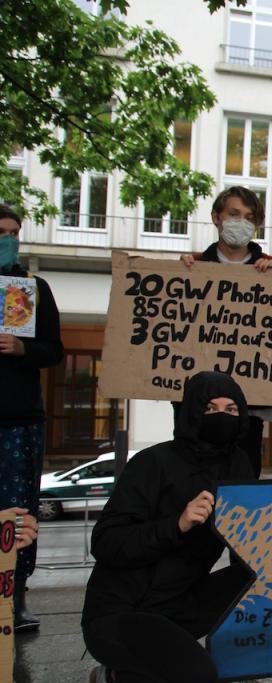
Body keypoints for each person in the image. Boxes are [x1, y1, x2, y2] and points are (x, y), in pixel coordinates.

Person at [82, 372, 272, 683]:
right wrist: (177, 525)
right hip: (121, 613)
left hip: (180, 606)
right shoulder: (152, 462)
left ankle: (145, 665)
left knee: (256, 578)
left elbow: (257, 547)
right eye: (210, 408)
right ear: (192, 412)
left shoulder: (237, 466)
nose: (222, 416)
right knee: (199, 674)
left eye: (231, 409)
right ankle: (114, 675)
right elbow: (105, 543)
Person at [181, 187, 272, 477]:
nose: (242, 222)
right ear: (216, 217)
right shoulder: (194, 267)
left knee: (243, 484)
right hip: (195, 409)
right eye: (234, 214)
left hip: (249, 409)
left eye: (249, 217)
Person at [0, 203, 64, 632]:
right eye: (1, 231)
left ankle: (15, 594)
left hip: (20, 418)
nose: (9, 238)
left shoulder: (32, 289)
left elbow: (54, 350)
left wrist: (24, 350)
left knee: (19, 512)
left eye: (14, 231)